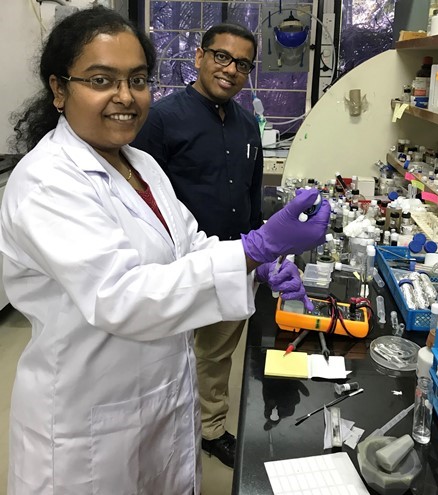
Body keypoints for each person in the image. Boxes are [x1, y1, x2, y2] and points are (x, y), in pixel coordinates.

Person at [0, 6, 330, 495]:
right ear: (59, 88)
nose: (125, 97)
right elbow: (122, 296)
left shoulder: (139, 165)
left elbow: (188, 244)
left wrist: (255, 266)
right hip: (89, 417)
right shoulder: (47, 181)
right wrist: (255, 247)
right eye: (100, 79)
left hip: (157, 398)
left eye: (138, 80)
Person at [131, 22, 263, 468]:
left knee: (217, 355)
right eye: (222, 57)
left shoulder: (248, 125)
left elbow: (252, 192)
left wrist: (261, 252)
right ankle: (165, 431)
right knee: (170, 356)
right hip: (178, 267)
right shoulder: (161, 118)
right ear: (200, 57)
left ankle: (211, 428)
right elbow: (139, 197)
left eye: (242, 64)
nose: (230, 70)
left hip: (234, 259)